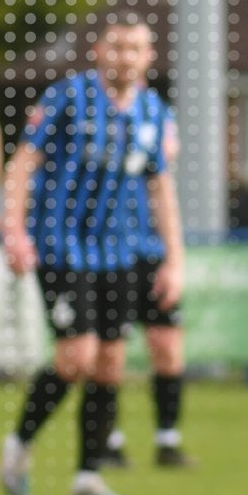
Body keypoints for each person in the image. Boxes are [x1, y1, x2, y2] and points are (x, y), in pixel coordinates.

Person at [0, 12, 184, 495]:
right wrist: (12, 230)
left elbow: (161, 188)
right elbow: (23, 164)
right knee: (74, 358)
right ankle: (18, 445)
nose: (125, 56)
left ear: (148, 57)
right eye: (116, 47)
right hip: (61, 246)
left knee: (110, 363)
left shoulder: (152, 111)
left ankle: (88, 478)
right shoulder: (67, 97)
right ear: (99, 51)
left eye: (135, 48)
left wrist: (174, 261)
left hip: (119, 253)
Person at [103, 95, 193, 471]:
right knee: (110, 353)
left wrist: (174, 257)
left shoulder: (155, 112)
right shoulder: (88, 109)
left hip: (152, 251)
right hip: (108, 250)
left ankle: (167, 440)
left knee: (167, 345)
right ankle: (108, 440)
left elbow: (165, 166)